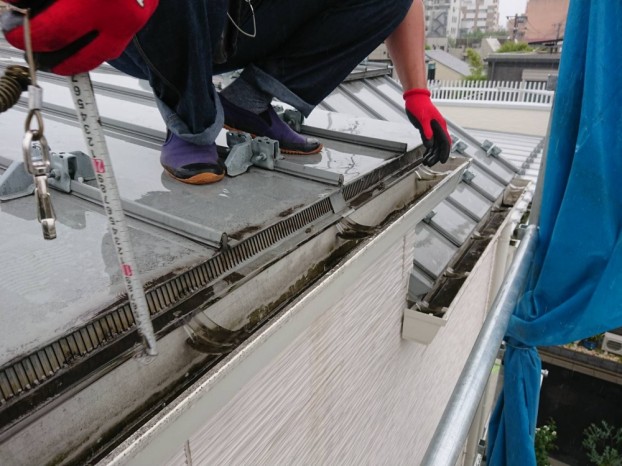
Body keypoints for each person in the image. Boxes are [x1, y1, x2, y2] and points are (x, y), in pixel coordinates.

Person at [2, 0, 451, 185]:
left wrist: (416, 94)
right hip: (143, 17)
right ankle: (190, 124)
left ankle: (248, 102)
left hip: (244, 20)